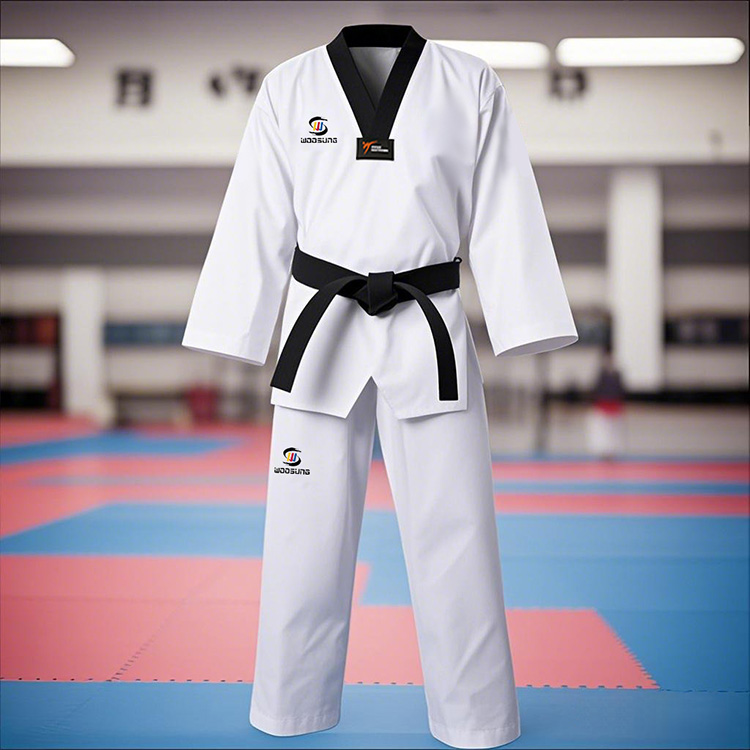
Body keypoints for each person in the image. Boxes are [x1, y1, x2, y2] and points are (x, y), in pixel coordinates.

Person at [182, 23, 578, 749]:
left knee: (457, 532)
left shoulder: (468, 83)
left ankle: (476, 718)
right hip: (321, 328)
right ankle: (292, 706)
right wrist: (232, 327)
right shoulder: (290, 87)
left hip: (430, 327)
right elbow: (256, 214)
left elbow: (505, 208)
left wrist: (526, 321)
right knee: (302, 534)